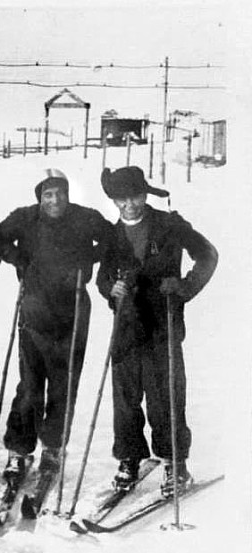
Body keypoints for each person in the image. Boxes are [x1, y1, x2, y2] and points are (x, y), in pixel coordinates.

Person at [95, 166, 217, 496]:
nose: (129, 205)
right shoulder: (112, 234)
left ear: (145, 195)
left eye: (135, 196)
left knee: (165, 394)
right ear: (114, 200)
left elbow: (207, 255)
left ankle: (175, 463)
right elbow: (103, 277)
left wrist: (184, 285)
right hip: (126, 324)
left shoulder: (169, 224)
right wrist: (111, 289)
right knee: (126, 396)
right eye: (122, 199)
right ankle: (130, 458)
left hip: (162, 320)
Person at [0, 169, 113, 480]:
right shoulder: (25, 217)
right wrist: (18, 258)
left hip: (72, 308)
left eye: (60, 192)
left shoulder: (85, 217)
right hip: (34, 306)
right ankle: (19, 449)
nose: (55, 199)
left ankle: (53, 447)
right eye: (48, 194)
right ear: (40, 197)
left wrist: (90, 256)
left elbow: (114, 239)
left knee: (64, 382)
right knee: (30, 385)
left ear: (68, 194)